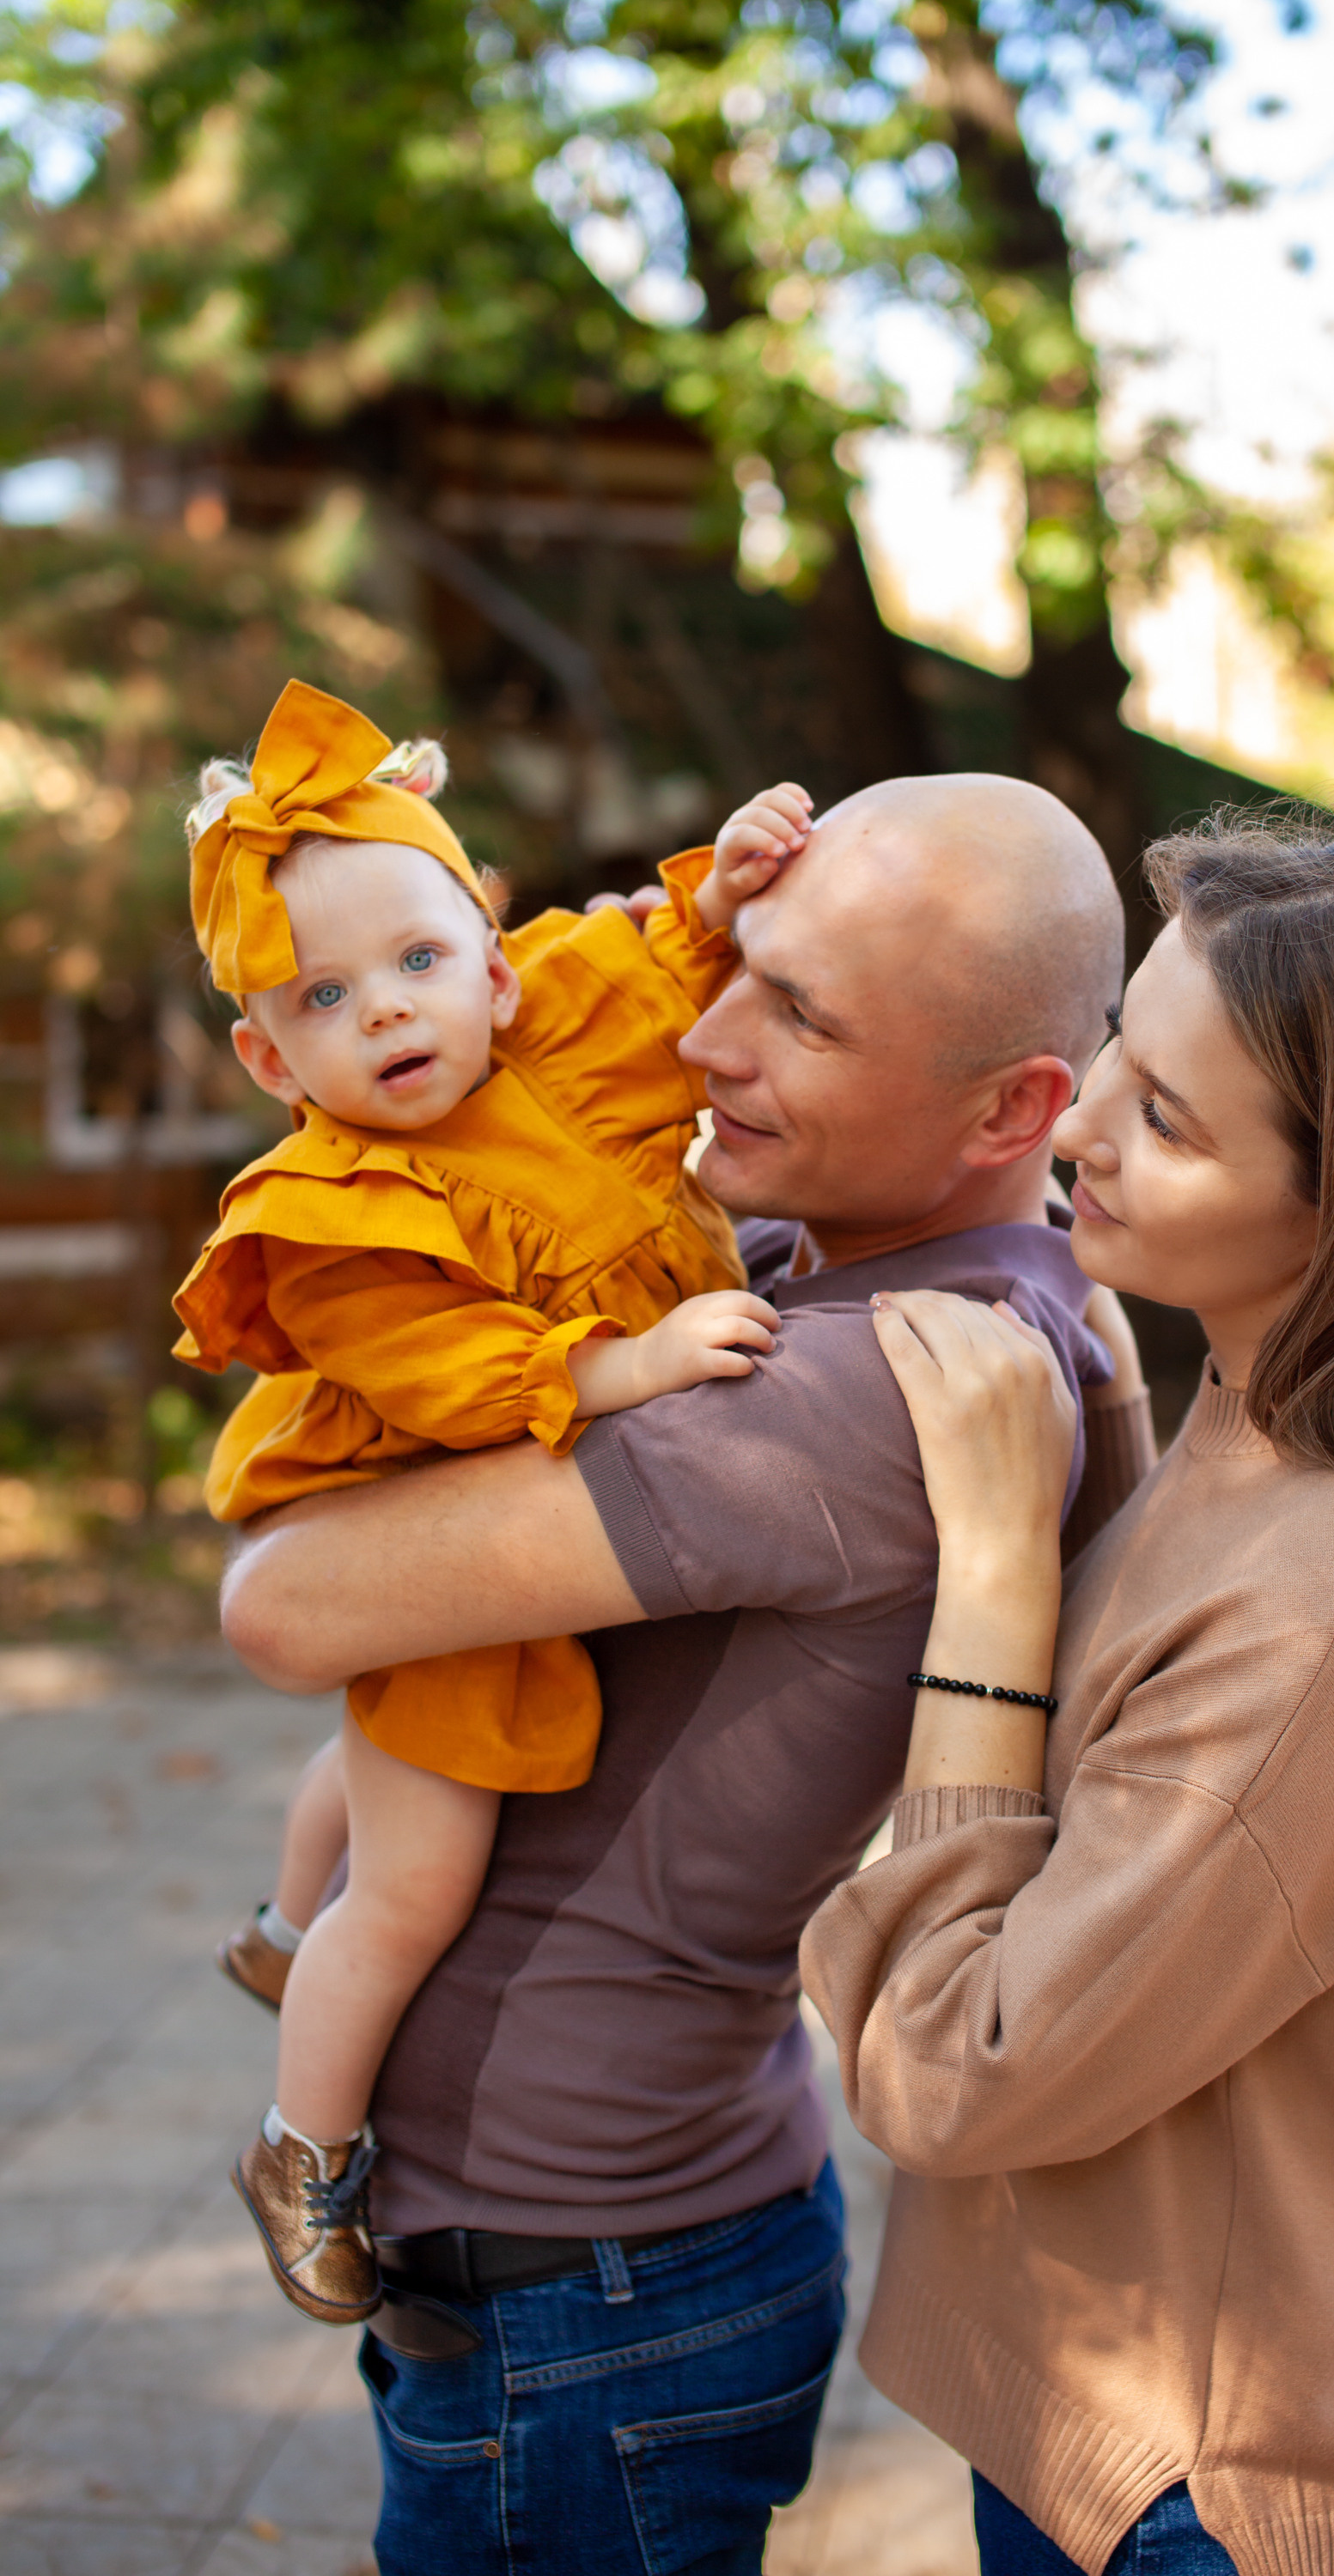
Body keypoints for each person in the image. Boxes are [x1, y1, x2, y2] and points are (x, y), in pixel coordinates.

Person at [217, 769, 1151, 2576]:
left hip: (579, 2281)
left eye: (796, 1010)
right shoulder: (860, 1273)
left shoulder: (862, 1389)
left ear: (1012, 1106)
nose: (708, 1038)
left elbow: (284, 1606)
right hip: (625, 2237)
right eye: (745, 967)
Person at [800, 808, 1334, 2576]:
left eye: (1162, 1121)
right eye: (1115, 1055)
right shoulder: (1254, 1412)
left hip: (1194, 2496)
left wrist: (1001, 1575)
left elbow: (953, 2068)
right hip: (1101, 2428)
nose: (1074, 1124)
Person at [174, 676, 804, 2326]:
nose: (386, 1012)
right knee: (419, 1878)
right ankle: (302, 2143)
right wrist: (637, 1362)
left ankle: (271, 1923)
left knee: (371, 1771)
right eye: (324, 995)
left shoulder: (556, 1045)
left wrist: (728, 888)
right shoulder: (333, 1215)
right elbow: (461, 1386)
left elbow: (674, 966)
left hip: (486, 1525)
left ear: (497, 961)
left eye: (418, 961)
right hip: (431, 1523)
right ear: (266, 1052)